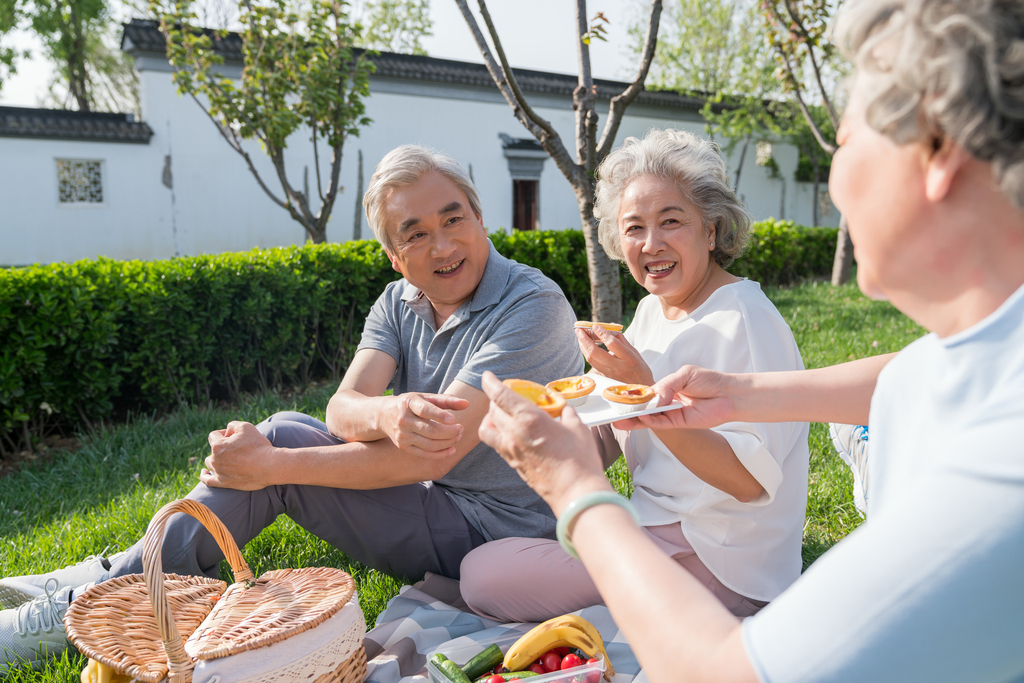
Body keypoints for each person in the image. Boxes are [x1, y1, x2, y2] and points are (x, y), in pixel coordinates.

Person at [473, 0, 1024, 680]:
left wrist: (574, 488)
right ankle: (861, 446)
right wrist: (734, 393)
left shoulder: (999, 466)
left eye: (846, 141)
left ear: (937, 146)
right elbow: (916, 372)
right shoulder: (987, 358)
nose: (836, 184)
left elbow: (721, 669)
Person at [0, 145, 583, 671]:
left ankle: (98, 598)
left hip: (499, 534)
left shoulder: (530, 305)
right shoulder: (399, 300)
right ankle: (117, 577)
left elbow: (428, 458)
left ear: (480, 217)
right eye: (415, 234)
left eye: (454, 218)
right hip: (437, 504)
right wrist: (385, 413)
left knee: (279, 451)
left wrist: (272, 468)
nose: (443, 244)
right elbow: (341, 407)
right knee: (285, 430)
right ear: (393, 257)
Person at [460, 129, 810, 623]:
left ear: (711, 230)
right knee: (496, 551)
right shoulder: (651, 311)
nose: (652, 244)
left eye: (672, 221)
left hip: (721, 558)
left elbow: (749, 483)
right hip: (652, 528)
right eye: (634, 228)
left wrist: (647, 392)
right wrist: (551, 417)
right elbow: (613, 435)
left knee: (482, 575)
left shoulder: (744, 316)